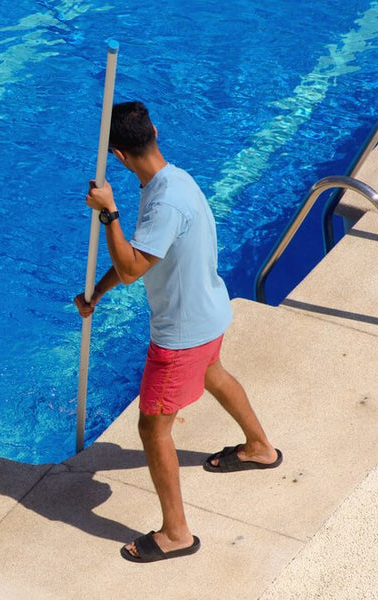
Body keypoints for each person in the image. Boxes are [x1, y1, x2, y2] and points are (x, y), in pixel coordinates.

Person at [74, 101, 282, 563]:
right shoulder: (174, 180)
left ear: (119, 157)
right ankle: (260, 447)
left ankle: (176, 533)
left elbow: (131, 268)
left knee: (153, 427)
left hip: (181, 335)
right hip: (209, 314)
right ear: (154, 131)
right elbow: (144, 256)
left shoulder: (163, 201)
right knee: (215, 373)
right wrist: (99, 291)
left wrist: (109, 214)